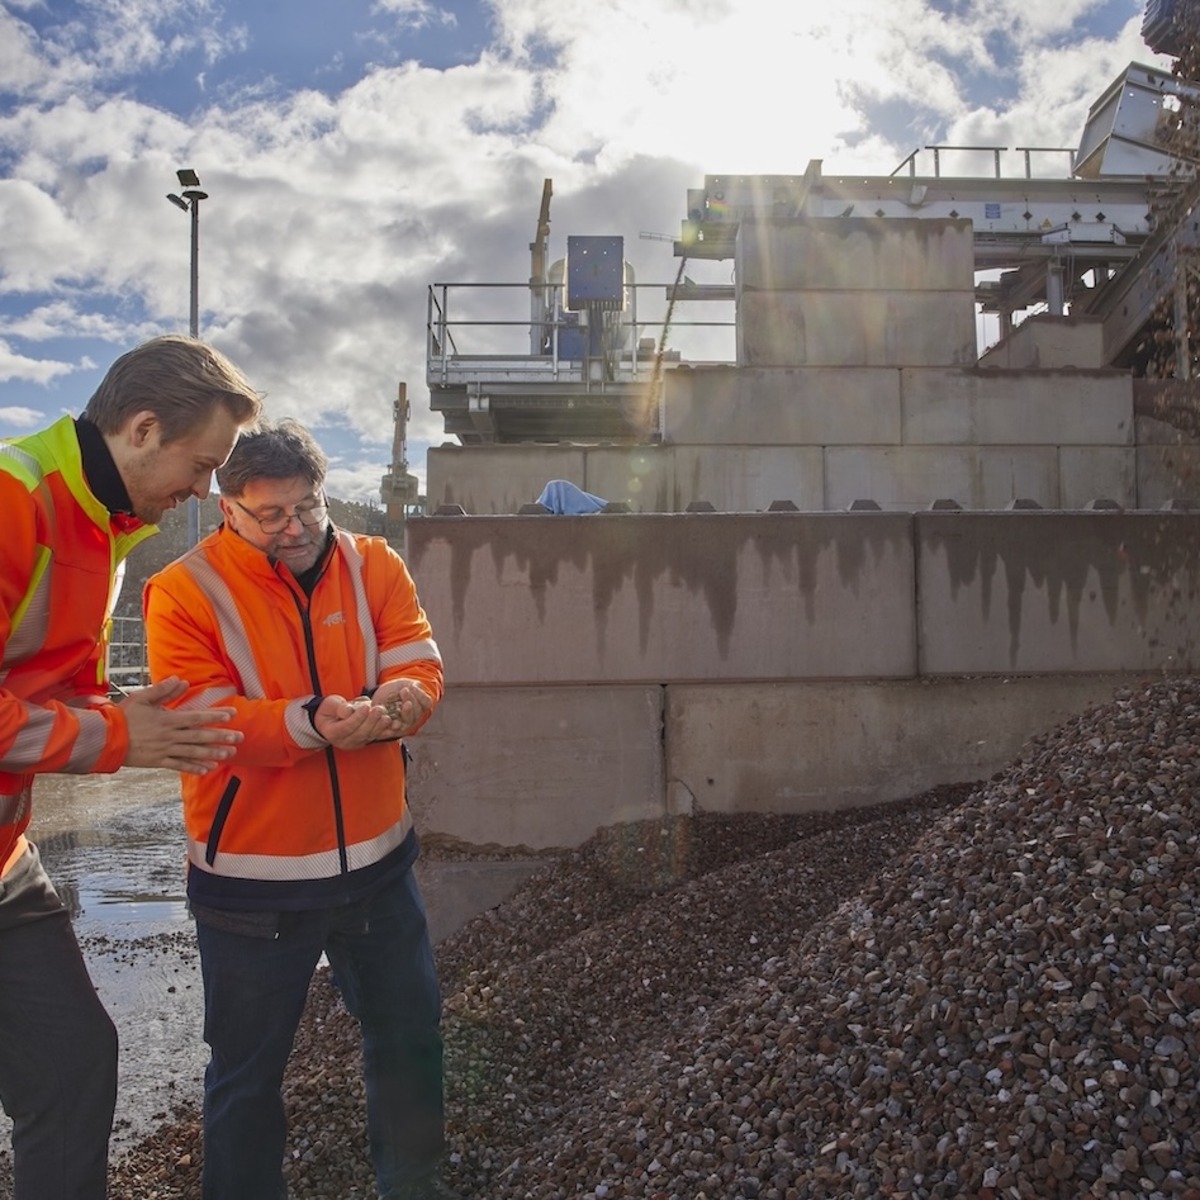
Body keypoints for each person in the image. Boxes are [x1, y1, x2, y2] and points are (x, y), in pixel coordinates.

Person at [143, 417, 455, 1200]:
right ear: (229, 511)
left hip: (380, 870)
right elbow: (205, 717)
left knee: (410, 1037)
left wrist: (404, 700)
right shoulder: (183, 591)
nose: (296, 529)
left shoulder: (374, 562)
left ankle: (415, 1187)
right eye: (272, 516)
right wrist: (311, 722)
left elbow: (415, 653)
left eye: (309, 509)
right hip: (253, 884)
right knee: (247, 1076)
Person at [0, 334, 263, 1200]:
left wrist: (128, 709)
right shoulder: (13, 499)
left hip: (3, 861)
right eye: (202, 465)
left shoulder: (104, 527)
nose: (203, 492)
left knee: (73, 1063)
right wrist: (120, 738)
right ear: (144, 428)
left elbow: (46, 685)